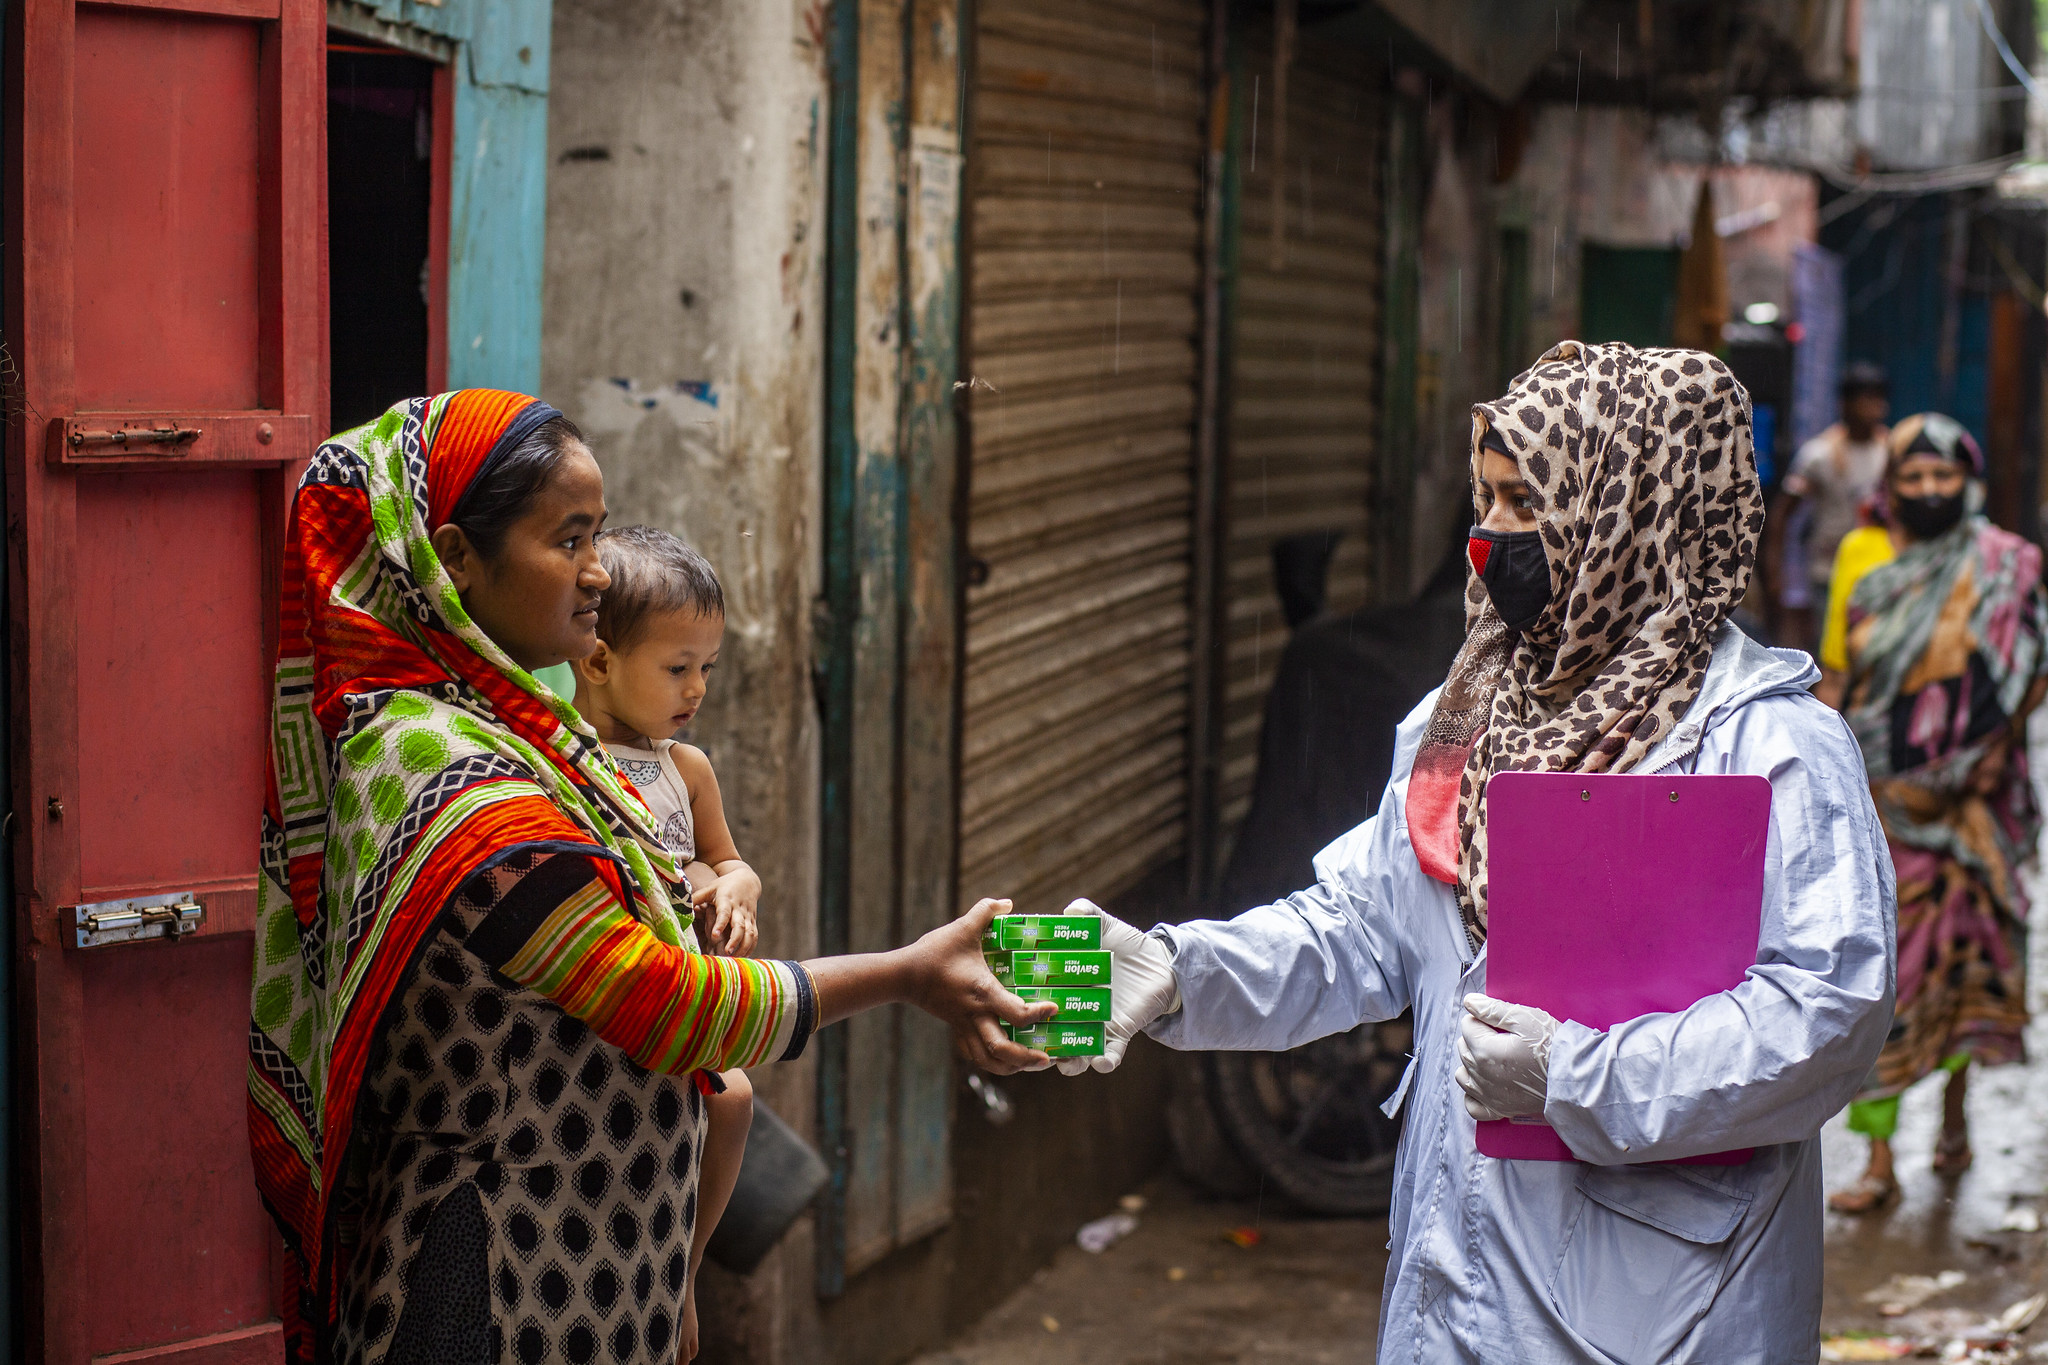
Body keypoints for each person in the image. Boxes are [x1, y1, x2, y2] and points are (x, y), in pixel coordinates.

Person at [1027, 343, 1897, 1362]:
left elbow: (1825, 1014)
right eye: (1481, 501)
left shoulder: (1769, 746)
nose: (1488, 541)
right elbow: (1356, 932)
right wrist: (1178, 971)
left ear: (1633, 510)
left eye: (1523, 503)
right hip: (1454, 1298)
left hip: (1672, 1312)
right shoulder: (1465, 719)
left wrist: (1576, 1076)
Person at [247, 390, 1052, 1365]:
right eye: (568, 539)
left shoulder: (506, 731)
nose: (596, 573)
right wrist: (907, 973)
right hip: (489, 1282)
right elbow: (672, 1010)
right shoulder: (446, 773)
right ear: (455, 558)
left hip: (585, 1266)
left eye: (596, 535)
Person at [1814, 413, 2047, 1214]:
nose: (1928, 490)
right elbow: (1840, 676)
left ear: (1968, 479)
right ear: (1889, 487)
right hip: (1888, 804)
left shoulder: (2006, 566)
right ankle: (1879, 1155)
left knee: (1963, 964)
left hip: (1976, 804)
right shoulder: (1863, 558)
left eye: (1943, 476)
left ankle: (1954, 1120)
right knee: (1886, 979)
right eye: (1912, 478)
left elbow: (2030, 664)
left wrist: (1992, 749)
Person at [568, 523, 759, 1355]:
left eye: (706, 668)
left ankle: (683, 1270)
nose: (697, 689)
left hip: (683, 1001)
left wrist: (735, 892)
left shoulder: (687, 769)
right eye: (677, 668)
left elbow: (727, 861)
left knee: (736, 1098)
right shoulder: (561, 760)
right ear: (599, 660)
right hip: (604, 1006)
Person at [1766, 362, 1890, 652]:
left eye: (1878, 398)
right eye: (1865, 399)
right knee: (1831, 646)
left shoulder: (1890, 450)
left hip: (1877, 568)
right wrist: (1775, 572)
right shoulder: (1819, 455)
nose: (1873, 408)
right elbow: (1784, 512)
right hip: (1828, 569)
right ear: (1845, 403)